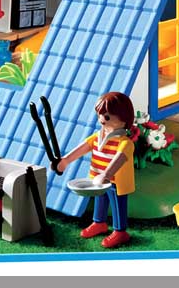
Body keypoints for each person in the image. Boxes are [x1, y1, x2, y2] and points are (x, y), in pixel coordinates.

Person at [56, 92, 136, 249]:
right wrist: (66, 160)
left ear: (123, 118)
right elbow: (84, 147)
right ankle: (99, 223)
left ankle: (120, 231)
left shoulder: (125, 143)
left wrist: (106, 174)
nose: (101, 119)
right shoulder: (99, 136)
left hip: (116, 183)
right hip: (98, 180)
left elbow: (118, 159)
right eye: (100, 115)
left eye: (107, 117)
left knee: (117, 204)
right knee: (100, 200)